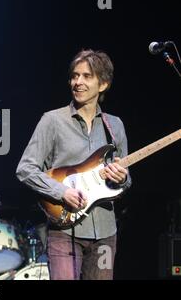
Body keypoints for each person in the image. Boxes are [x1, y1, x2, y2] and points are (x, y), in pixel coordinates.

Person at [16, 49, 132, 280]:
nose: (77, 82)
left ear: (103, 84)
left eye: (86, 76)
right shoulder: (52, 121)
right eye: (74, 76)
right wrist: (62, 192)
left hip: (105, 233)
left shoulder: (115, 126)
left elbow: (126, 180)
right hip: (64, 230)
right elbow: (25, 169)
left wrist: (123, 179)